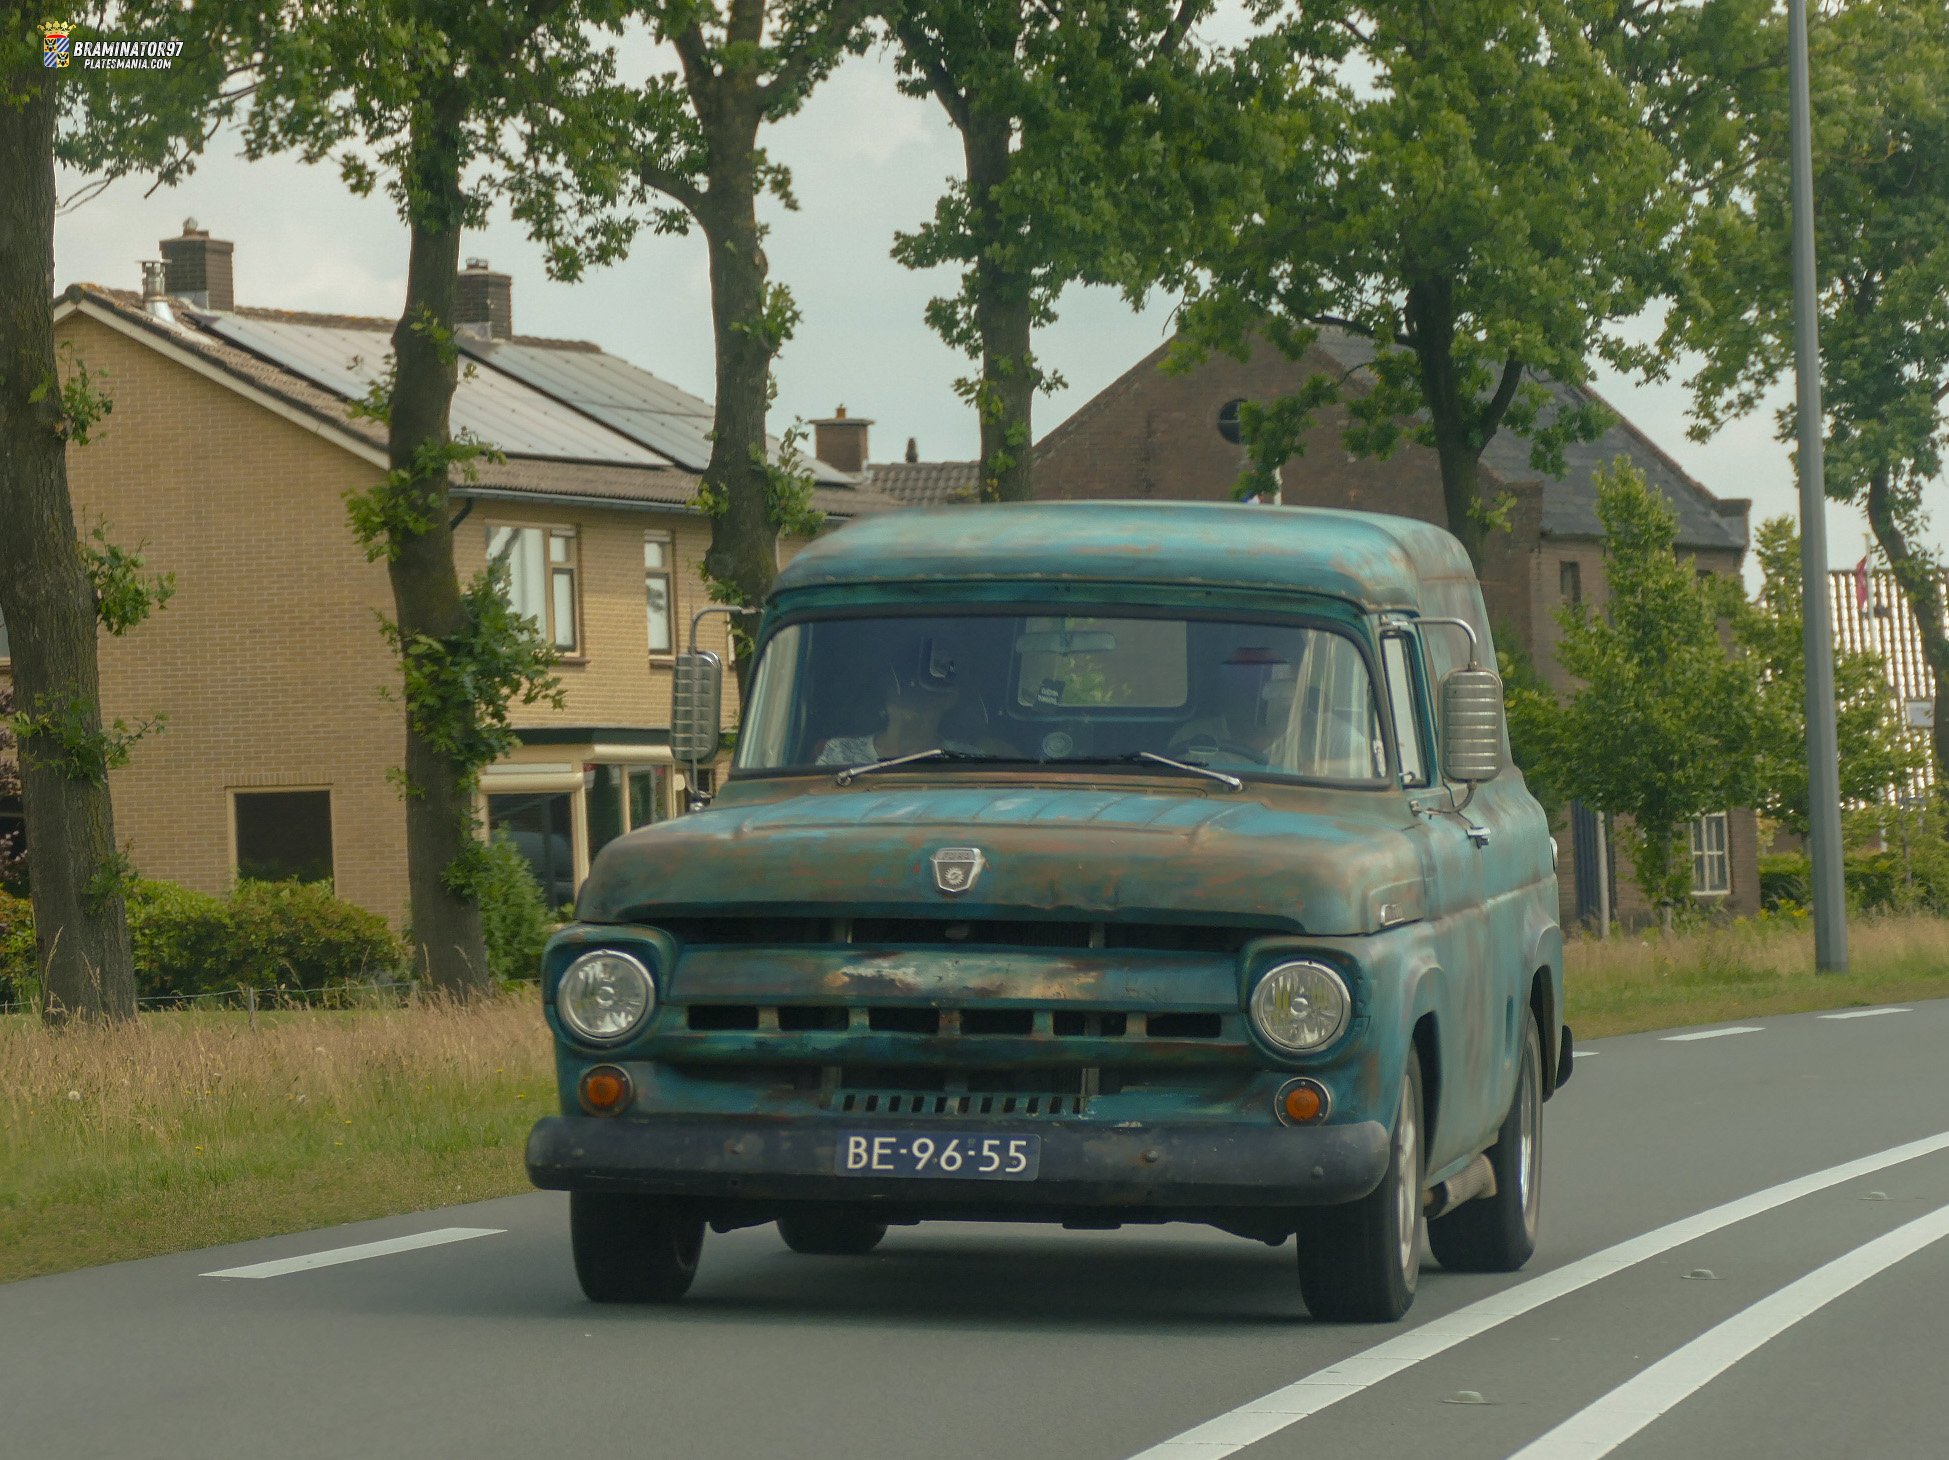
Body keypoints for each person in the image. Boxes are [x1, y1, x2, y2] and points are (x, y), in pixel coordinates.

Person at [814, 667, 993, 766]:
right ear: (886, 691)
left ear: (949, 698)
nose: (912, 692)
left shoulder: (968, 759)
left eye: (925, 684)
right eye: (903, 684)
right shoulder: (840, 753)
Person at [1170, 647, 1300, 767]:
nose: (1254, 689)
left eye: (1265, 675)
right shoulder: (1192, 738)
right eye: (1244, 677)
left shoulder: (1310, 736)